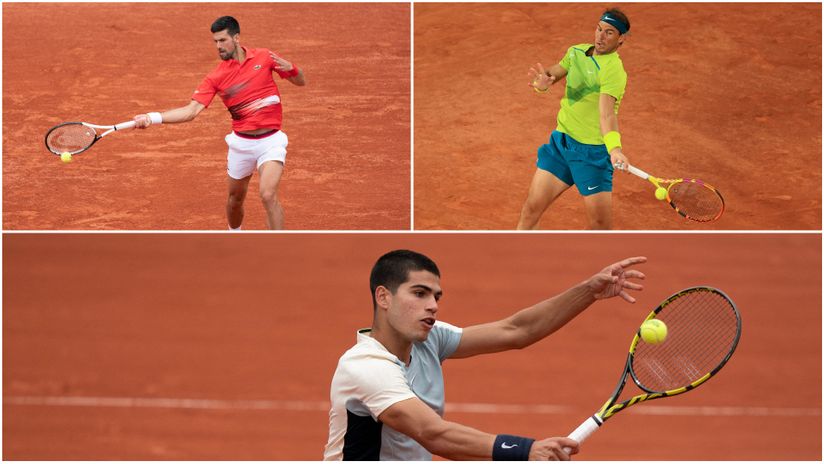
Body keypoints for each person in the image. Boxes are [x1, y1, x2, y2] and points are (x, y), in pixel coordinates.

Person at [324, 249, 646, 460]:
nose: (433, 306)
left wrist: (588, 291)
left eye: (436, 297)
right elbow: (432, 433)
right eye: (419, 294)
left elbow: (516, 330)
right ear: (383, 297)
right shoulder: (366, 366)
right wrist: (525, 450)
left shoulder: (428, 339)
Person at [132, 16, 306, 230]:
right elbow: (190, 111)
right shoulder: (216, 77)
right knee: (235, 200)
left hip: (271, 141)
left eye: (223, 40)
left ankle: (278, 246)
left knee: (268, 194)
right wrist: (152, 117)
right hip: (241, 145)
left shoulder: (264, 57)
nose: (218, 46)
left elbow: (300, 81)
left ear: (236, 38)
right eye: (215, 41)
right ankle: (234, 233)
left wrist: (293, 68)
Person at [517, 9, 631, 230]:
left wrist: (615, 149)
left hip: (591, 154)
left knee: (600, 227)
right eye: (599, 29)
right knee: (531, 208)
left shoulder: (613, 70)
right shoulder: (576, 52)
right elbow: (553, 74)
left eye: (609, 32)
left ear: (621, 39)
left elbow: (606, 114)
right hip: (562, 145)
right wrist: (542, 83)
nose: (600, 36)